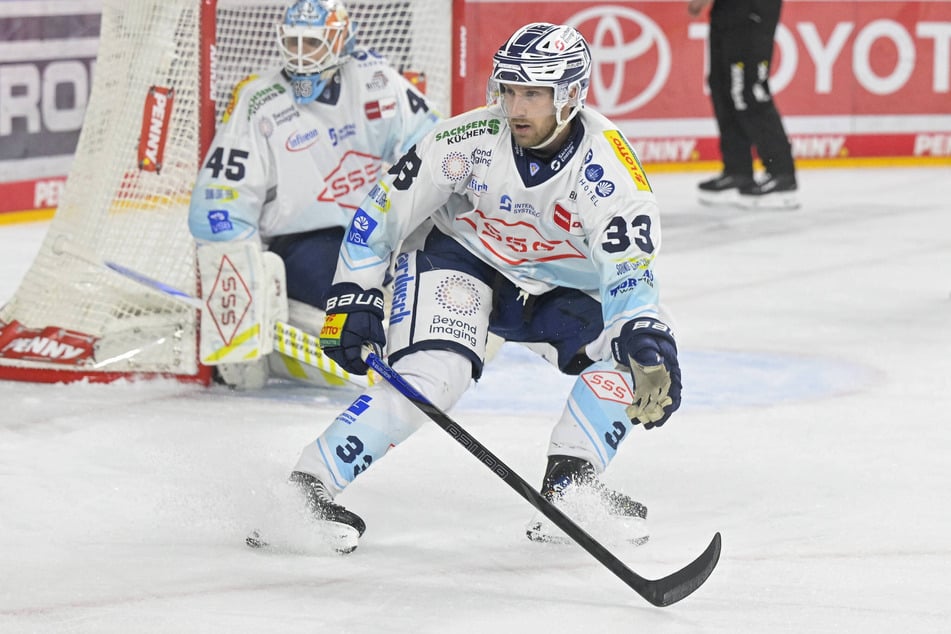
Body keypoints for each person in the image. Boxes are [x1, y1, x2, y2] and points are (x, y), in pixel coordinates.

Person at [275, 22, 683, 553]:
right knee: (432, 375)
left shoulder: (611, 174)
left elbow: (631, 278)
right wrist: (352, 296)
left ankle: (570, 486)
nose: (516, 107)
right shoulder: (466, 138)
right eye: (510, 90)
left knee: (640, 353)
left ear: (572, 96)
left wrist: (646, 343)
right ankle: (308, 488)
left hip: (558, 290)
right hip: (463, 262)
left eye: (534, 94)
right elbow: (381, 213)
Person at [188, 0, 440, 389]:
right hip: (303, 243)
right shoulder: (260, 101)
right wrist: (246, 285)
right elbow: (216, 204)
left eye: (313, 44)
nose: (301, 56)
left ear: (341, 42)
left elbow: (433, 148)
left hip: (373, 232)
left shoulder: (376, 79)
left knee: (435, 275)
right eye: (294, 43)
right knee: (352, 300)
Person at [688, 0, 799, 209]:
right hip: (726, 8)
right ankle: (738, 170)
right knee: (721, 84)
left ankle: (781, 175)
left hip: (752, 7)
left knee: (747, 89)